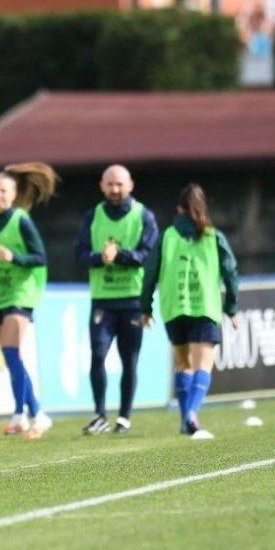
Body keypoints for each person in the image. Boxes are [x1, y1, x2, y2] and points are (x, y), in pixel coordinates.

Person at [140, 183, 238, 439]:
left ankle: (185, 422)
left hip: (174, 307)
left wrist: (145, 307)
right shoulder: (213, 236)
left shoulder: (167, 236)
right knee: (203, 364)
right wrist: (232, 307)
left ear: (179, 208)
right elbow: (230, 271)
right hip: (204, 305)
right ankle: (193, 413)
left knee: (183, 364)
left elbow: (149, 272)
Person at [75, 165, 159, 435]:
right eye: (110, 184)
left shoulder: (143, 216)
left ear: (130, 185)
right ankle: (99, 414)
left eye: (119, 184)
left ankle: (124, 416)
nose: (115, 189)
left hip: (133, 301)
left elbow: (148, 254)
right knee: (98, 355)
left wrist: (120, 255)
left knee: (129, 360)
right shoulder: (92, 217)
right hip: (102, 301)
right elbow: (79, 254)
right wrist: (99, 258)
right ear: (101, 185)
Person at [0, 162, 59, 439]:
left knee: (11, 351)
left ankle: (26, 413)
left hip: (22, 292)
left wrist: (15, 258)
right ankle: (29, 413)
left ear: (13, 195)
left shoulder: (21, 220)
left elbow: (40, 257)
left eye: (3, 191)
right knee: (10, 356)